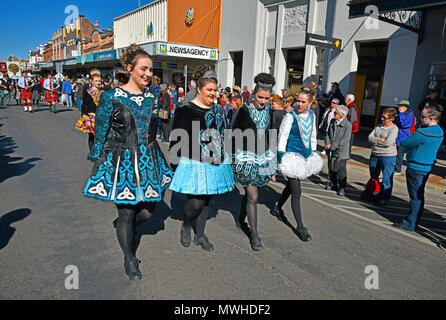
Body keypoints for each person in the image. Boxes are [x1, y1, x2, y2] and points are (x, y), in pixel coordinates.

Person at [83, 44, 173, 281]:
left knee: (148, 211)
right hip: (121, 160)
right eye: (143, 69)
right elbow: (101, 130)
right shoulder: (111, 97)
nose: (148, 74)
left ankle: (128, 228)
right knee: (126, 214)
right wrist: (99, 158)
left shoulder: (152, 97)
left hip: (150, 159)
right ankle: (129, 258)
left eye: (151, 70)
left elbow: (157, 128)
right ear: (130, 68)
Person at [169, 66, 234, 252]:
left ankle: (200, 235)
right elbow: (176, 138)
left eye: (215, 90)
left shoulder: (219, 109)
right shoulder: (186, 110)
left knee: (206, 200)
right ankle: (187, 225)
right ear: (199, 89)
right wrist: (175, 163)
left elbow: (223, 132)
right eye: (209, 90)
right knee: (195, 202)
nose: (213, 94)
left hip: (215, 160)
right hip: (193, 161)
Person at [271, 85, 324, 241]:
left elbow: (313, 136)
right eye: (297, 101)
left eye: (303, 102)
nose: (299, 104)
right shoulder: (290, 117)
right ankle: (300, 227)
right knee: (297, 191)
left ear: (309, 103)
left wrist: (313, 153)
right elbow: (282, 139)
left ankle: (277, 208)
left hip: (305, 158)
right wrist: (280, 158)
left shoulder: (312, 116)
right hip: (291, 158)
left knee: (291, 186)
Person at [231, 73, 277, 251]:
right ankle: (255, 235)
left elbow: (270, 134)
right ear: (253, 94)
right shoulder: (243, 111)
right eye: (260, 97)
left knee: (250, 194)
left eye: (266, 98)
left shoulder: (268, 110)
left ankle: (241, 220)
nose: (263, 101)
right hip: (245, 157)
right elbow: (233, 134)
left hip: (263, 157)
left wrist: (272, 159)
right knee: (253, 196)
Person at [393, 105, 444, 232]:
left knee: (415, 197)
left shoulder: (423, 132)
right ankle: (414, 220)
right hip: (427, 166)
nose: (420, 118)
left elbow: (405, 143)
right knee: (419, 195)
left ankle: (410, 223)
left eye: (423, 116)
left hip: (416, 166)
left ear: (432, 118)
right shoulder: (439, 131)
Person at [367, 107, 399, 206]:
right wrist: (380, 139)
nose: (382, 119)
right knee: (374, 176)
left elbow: (388, 143)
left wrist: (377, 140)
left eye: (385, 118)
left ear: (392, 118)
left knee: (386, 178)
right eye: (382, 117)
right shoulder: (379, 127)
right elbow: (369, 138)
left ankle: (385, 197)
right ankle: (374, 193)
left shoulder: (394, 129)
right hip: (375, 154)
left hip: (388, 156)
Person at [325, 105, 352, 195]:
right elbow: (328, 133)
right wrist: (328, 143)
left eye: (336, 113)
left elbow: (345, 140)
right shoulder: (333, 121)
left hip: (341, 151)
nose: (334, 114)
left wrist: (334, 146)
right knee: (331, 167)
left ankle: (342, 187)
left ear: (342, 115)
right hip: (331, 148)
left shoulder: (348, 125)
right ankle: (333, 183)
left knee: (341, 169)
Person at [75, 69, 104, 152]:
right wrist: (86, 119)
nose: (98, 82)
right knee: (92, 136)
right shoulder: (88, 92)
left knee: (101, 136)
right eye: (96, 81)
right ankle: (92, 152)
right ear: (92, 81)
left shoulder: (103, 92)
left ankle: (99, 152)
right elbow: (84, 106)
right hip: (91, 117)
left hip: (101, 117)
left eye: (99, 81)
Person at [394, 100, 416, 175]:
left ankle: (397, 170)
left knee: (399, 155)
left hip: (403, 138)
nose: (399, 107)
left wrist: (400, 115)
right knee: (396, 154)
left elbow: (404, 125)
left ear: (405, 107)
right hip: (398, 136)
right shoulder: (402, 114)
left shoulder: (408, 115)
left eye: (400, 106)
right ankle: (395, 168)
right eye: (399, 106)